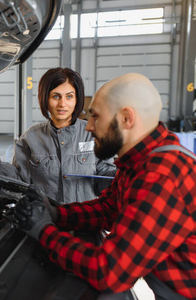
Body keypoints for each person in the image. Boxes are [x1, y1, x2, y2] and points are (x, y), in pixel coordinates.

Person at [14, 73, 196, 299]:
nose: (88, 127)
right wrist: (56, 213)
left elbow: (109, 271)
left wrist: (42, 230)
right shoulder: (139, 162)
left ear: (126, 119)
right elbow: (109, 208)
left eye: (95, 117)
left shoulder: (160, 175)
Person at [0, 67, 117, 205]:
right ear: (45, 99)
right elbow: (18, 180)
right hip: (45, 221)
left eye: (69, 97)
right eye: (56, 96)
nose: (63, 104)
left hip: (84, 220)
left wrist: (123, 172)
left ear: (77, 99)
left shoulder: (92, 133)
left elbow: (103, 178)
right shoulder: (31, 138)